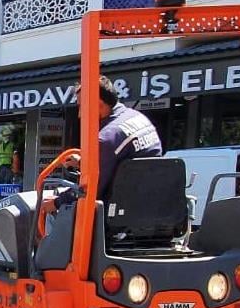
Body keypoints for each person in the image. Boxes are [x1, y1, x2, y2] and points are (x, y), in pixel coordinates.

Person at [43, 76, 163, 216]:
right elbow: (124, 165)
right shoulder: (139, 118)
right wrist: (83, 163)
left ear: (98, 104)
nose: (80, 114)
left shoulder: (106, 138)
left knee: (56, 212)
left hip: (119, 213)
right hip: (151, 205)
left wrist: (57, 202)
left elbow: (90, 191)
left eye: (82, 106)